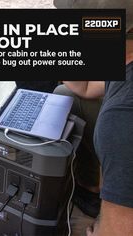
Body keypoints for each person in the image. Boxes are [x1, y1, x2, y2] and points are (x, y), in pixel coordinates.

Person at [53, 1, 133, 235]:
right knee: (65, 96)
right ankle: (94, 187)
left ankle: (109, 195)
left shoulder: (123, 116)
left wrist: (100, 228)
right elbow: (86, 88)